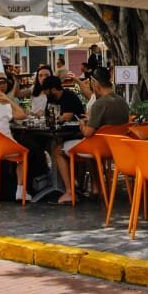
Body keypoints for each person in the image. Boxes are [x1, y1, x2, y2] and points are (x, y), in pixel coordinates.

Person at [58, 68, 134, 206]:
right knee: (89, 150)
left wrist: (82, 124)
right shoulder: (122, 101)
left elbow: (87, 133)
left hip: (99, 147)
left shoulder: (99, 104)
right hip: (116, 147)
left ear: (96, 84)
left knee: (59, 149)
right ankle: (92, 186)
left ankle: (70, 190)